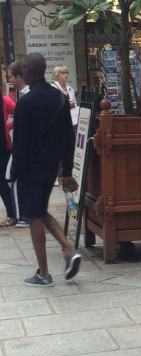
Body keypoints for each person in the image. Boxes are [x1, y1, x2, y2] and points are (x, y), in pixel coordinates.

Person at [11, 53, 82, 287]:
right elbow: (67, 138)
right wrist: (66, 170)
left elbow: (21, 142)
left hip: (30, 167)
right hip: (51, 165)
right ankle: (68, 249)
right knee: (39, 210)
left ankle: (44, 273)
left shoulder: (26, 102)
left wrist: (15, 173)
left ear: (28, 72)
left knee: (33, 215)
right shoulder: (59, 98)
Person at [6, 61, 30, 228]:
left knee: (15, 180)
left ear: (19, 77)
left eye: (10, 77)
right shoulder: (22, 95)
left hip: (24, 147)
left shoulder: (25, 97)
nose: (9, 81)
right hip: (23, 146)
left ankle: (24, 215)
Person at [0, 76, 17, 227]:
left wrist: (7, 127)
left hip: (3, 146)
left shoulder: (4, 100)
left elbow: (19, 112)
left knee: (1, 181)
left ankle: (12, 214)